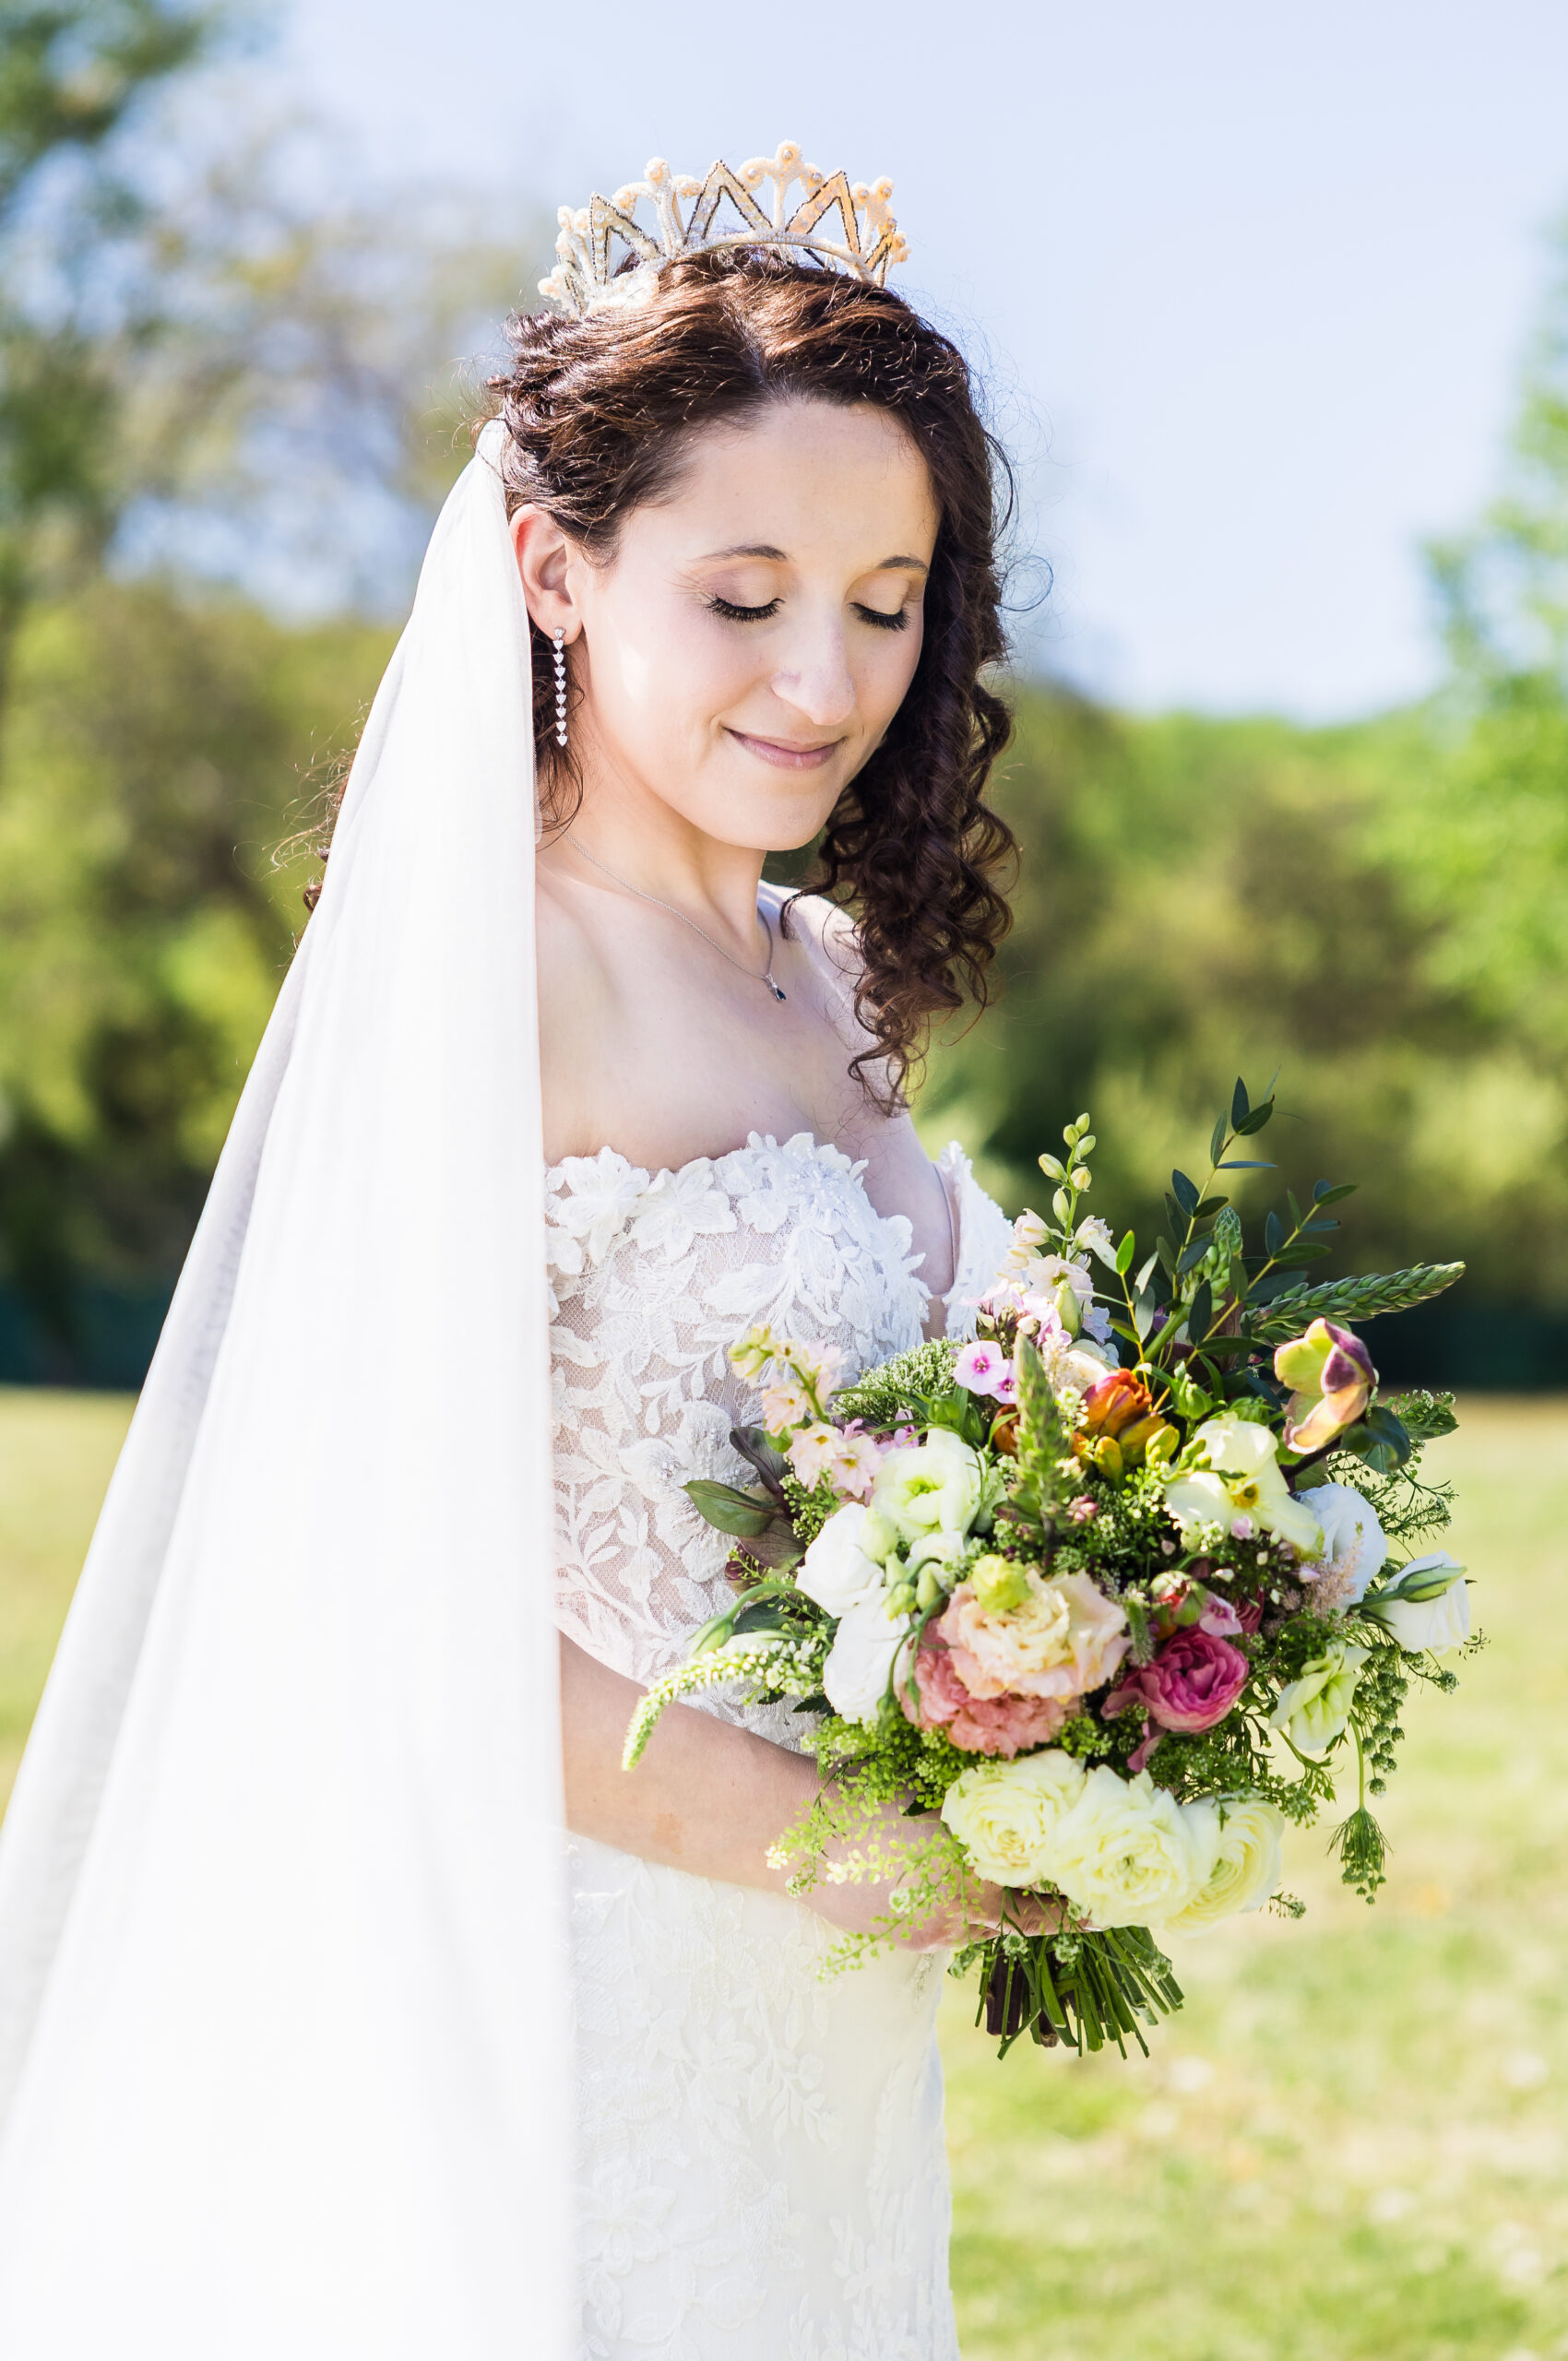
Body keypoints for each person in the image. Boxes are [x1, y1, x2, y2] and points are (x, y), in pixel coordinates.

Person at [0, 147, 1022, 2359]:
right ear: (556, 569)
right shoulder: (493, 980)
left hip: (822, 2024)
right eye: (741, 595)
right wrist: (864, 1845)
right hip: (575, 1980)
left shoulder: (834, 971)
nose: (824, 675)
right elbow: (384, 1599)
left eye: (886, 598)